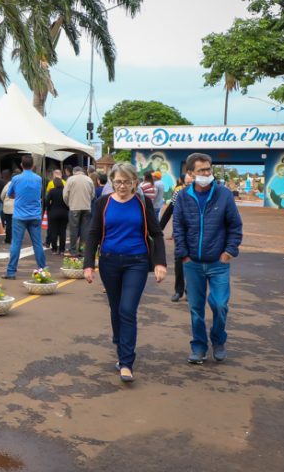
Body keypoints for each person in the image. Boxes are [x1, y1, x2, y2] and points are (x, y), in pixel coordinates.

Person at [83, 162, 167, 383]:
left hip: (137, 262)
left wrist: (160, 263)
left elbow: (157, 234)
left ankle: (127, 362)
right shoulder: (103, 202)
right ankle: (121, 345)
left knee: (127, 309)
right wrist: (88, 264)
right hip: (109, 262)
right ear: (112, 182)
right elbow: (93, 233)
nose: (122, 186)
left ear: (135, 183)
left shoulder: (142, 203)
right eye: (118, 182)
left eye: (127, 182)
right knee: (116, 308)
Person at [173, 152, 243, 364]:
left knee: (220, 305)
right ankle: (199, 347)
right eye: (201, 170)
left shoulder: (223, 194)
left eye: (208, 169)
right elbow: (178, 227)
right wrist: (183, 255)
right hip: (192, 262)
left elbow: (235, 226)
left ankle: (218, 339)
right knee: (196, 309)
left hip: (218, 263)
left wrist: (229, 251)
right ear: (190, 173)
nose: (206, 173)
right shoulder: (183, 196)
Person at [3, 156, 46, 279]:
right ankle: (42, 269)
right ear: (33, 165)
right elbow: (40, 194)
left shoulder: (16, 179)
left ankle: (11, 272)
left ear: (21, 165)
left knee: (16, 243)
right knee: (37, 243)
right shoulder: (38, 179)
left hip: (19, 215)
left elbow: (9, 194)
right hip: (35, 215)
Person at [160, 171, 194, 302]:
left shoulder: (202, 196)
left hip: (196, 236)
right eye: (187, 183)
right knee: (179, 263)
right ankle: (178, 291)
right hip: (180, 235)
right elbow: (169, 212)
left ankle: (190, 291)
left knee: (193, 264)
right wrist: (158, 230)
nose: (189, 186)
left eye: (191, 183)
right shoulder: (178, 193)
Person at [63, 166, 94, 257]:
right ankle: (82, 250)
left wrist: (69, 204)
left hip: (74, 207)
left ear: (74, 172)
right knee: (85, 229)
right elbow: (92, 195)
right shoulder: (89, 180)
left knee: (74, 229)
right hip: (86, 207)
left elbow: (65, 195)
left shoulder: (70, 179)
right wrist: (87, 201)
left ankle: (73, 250)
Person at [44, 177, 69, 254]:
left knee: (53, 231)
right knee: (62, 232)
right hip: (64, 213)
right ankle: (62, 249)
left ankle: (54, 249)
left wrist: (49, 208)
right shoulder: (65, 191)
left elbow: (47, 202)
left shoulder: (52, 191)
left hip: (53, 212)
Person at [0, 169, 15, 244]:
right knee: (16, 224)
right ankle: (16, 239)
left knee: (9, 224)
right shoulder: (20, 185)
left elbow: (2, 195)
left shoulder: (8, 184)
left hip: (8, 206)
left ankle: (8, 239)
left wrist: (4, 201)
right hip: (17, 207)